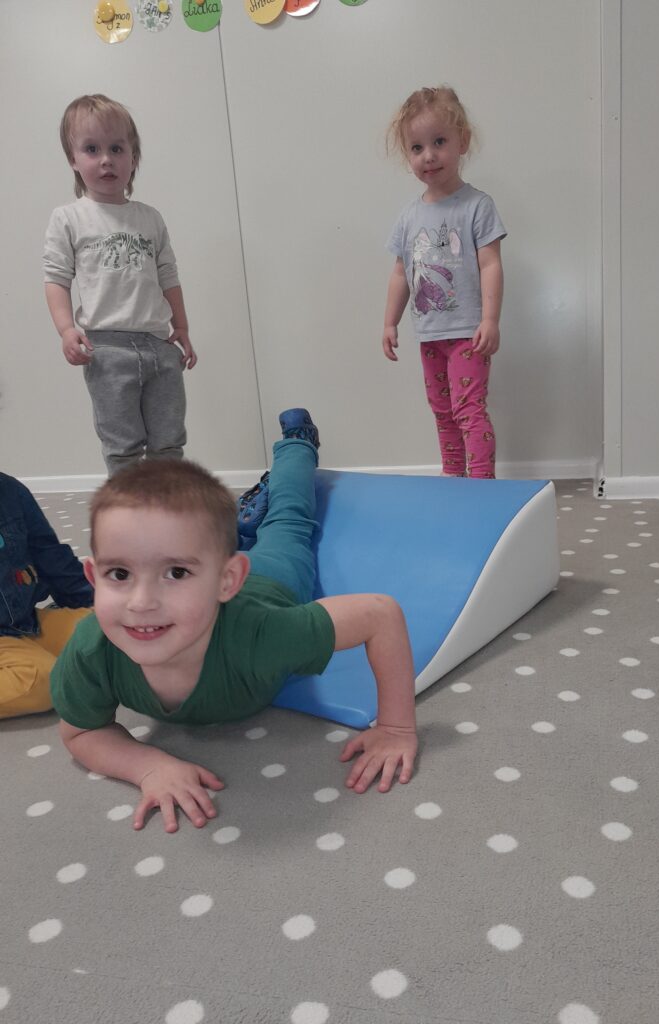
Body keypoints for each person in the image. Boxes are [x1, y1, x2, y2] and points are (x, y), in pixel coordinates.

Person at [51, 410, 418, 833]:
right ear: (93, 576)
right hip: (219, 568)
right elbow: (81, 733)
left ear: (228, 580)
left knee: (290, 519)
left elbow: (380, 613)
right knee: (221, 539)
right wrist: (148, 766)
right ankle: (237, 525)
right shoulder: (92, 649)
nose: (142, 602)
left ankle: (296, 445)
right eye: (119, 574)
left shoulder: (265, 635)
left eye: (175, 573)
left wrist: (395, 727)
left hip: (271, 577)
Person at [43, 94, 196, 476]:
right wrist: (66, 329)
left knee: (169, 441)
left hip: (159, 344)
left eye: (116, 148)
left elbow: (168, 275)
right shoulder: (69, 218)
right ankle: (128, 507)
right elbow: (56, 278)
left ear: (133, 157)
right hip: (107, 350)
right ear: (73, 159)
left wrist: (182, 326)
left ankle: (166, 503)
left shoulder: (150, 218)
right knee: (122, 445)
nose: (106, 159)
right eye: (91, 149)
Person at [382, 86, 506, 479]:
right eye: (417, 148)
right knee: (442, 410)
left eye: (439, 142)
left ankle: (481, 483)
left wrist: (490, 320)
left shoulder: (477, 206)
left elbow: (491, 264)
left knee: (469, 409)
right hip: (430, 333)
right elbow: (401, 272)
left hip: (468, 332)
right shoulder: (409, 217)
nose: (429, 156)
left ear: (462, 141)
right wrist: (389, 322)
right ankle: (453, 476)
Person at [0, 473, 92, 719]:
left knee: (106, 630)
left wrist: (100, 605)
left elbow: (53, 559)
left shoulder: (10, 490)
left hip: (26, 623)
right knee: (39, 680)